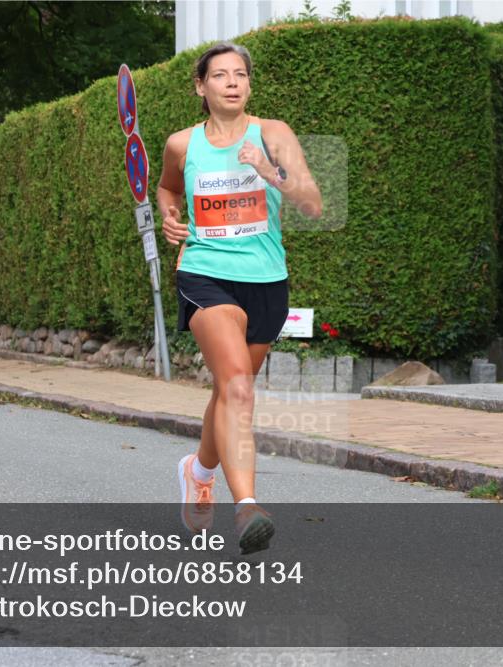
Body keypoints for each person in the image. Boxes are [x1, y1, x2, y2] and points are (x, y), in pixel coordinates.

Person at [157, 42, 323, 554]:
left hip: (267, 280)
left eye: (241, 74)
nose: (232, 82)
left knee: (231, 391)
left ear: (249, 84)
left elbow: (313, 204)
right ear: (200, 86)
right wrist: (168, 217)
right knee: (236, 386)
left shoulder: (272, 135)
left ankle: (198, 470)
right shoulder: (182, 144)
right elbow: (165, 188)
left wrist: (268, 171)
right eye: (220, 75)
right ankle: (247, 505)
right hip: (205, 272)